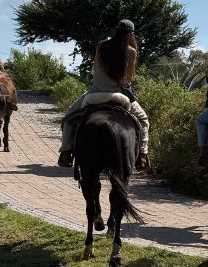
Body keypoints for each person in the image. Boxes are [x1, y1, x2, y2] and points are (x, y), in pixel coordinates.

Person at [56, 19, 150, 171]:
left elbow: (95, 69)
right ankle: (143, 155)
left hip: (96, 92)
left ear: (116, 31)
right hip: (120, 95)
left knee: (69, 116)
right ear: (131, 35)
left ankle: (66, 152)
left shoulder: (101, 45)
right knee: (143, 119)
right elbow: (128, 78)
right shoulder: (131, 52)